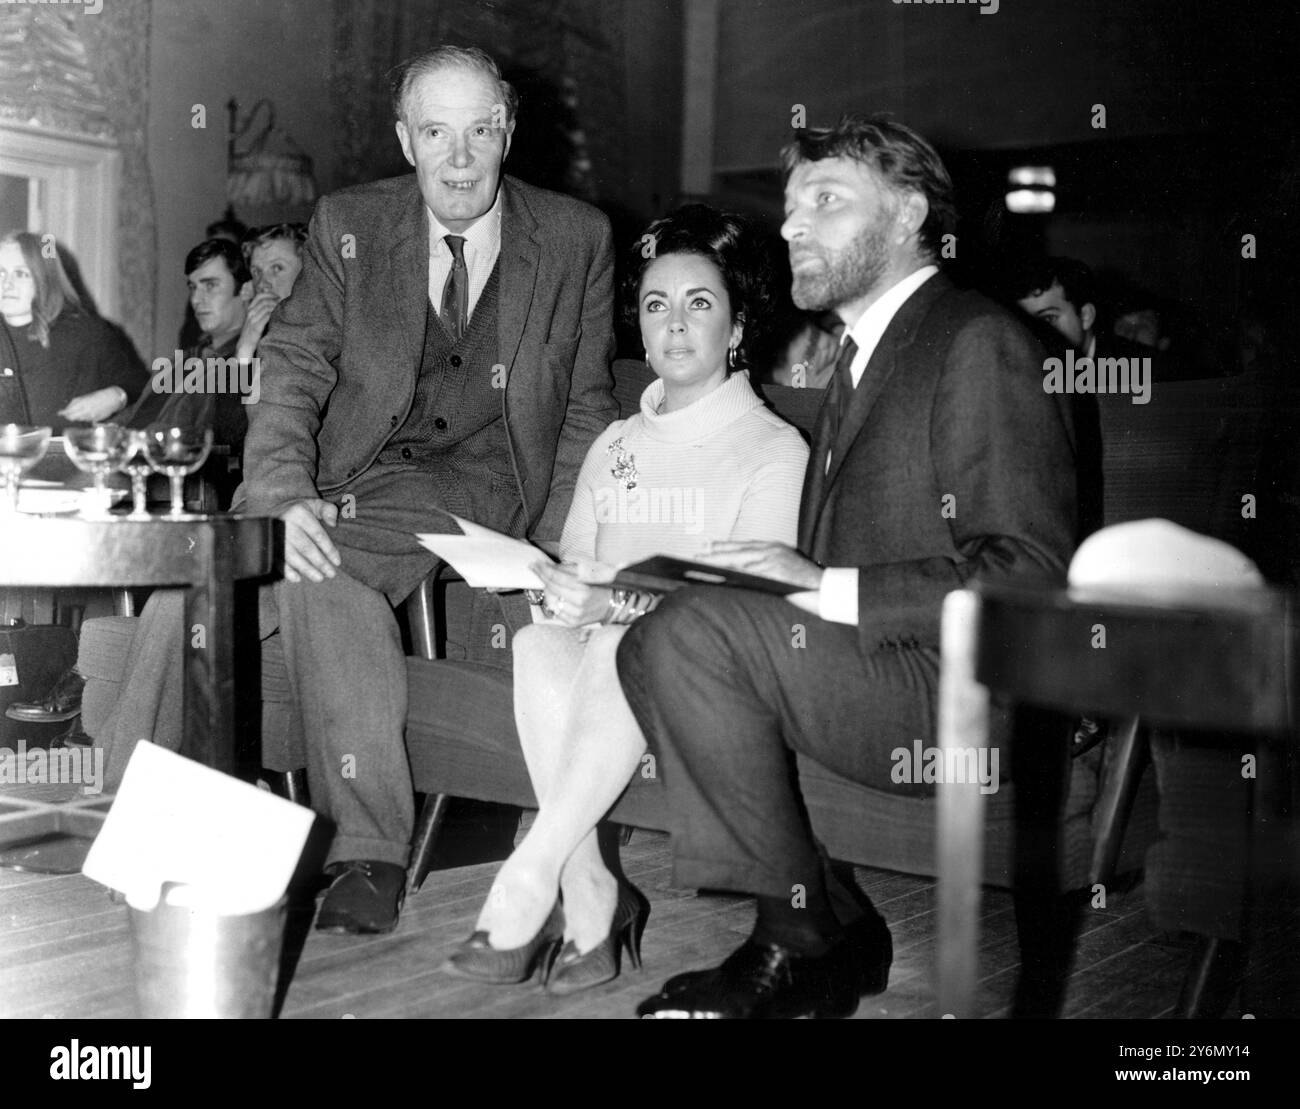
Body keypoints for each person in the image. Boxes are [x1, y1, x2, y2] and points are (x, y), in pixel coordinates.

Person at [617, 114, 1078, 1019]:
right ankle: (835, 923)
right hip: (878, 664)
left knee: (690, 635)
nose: (790, 226)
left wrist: (816, 585)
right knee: (647, 642)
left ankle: (792, 947)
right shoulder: (865, 357)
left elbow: (1028, 574)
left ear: (909, 213)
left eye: (825, 202)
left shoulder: (977, 341)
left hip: (958, 690)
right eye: (789, 209)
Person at [235, 44, 616, 935]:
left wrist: (563, 548)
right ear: (405, 140)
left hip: (482, 485)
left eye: (480, 131)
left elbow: (587, 408)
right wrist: (285, 491)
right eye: (435, 132)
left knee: (313, 566)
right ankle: (143, 819)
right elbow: (290, 362)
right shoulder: (347, 222)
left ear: (509, 133)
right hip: (346, 479)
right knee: (210, 590)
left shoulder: (575, 237)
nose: (458, 158)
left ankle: (362, 853)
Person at [445, 205, 809, 993]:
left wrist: (610, 605)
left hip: (715, 677)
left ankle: (530, 873)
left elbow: (753, 596)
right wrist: (559, 587)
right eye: (656, 305)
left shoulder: (775, 448)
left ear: (739, 323)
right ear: (639, 331)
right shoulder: (613, 443)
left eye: (699, 303)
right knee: (542, 643)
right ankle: (591, 892)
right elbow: (576, 560)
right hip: (603, 665)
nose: (675, 325)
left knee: (616, 639)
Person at [122, 237, 253, 456]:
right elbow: (138, 417)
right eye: (193, 287)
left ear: (246, 290)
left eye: (210, 286)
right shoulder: (187, 359)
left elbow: (224, 442)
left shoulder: (254, 359)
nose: (196, 300)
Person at [0, 230, 145, 427]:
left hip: (64, 454)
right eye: (0, 273)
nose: (6, 284)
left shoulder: (88, 333)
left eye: (21, 274)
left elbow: (141, 384)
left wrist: (116, 396)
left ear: (45, 280)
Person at [235, 223, 307, 365]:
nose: (262, 284)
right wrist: (245, 349)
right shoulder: (261, 339)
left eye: (277, 268)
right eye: (256, 272)